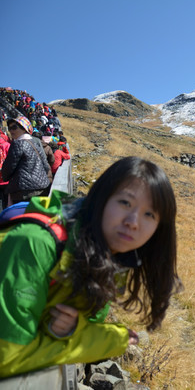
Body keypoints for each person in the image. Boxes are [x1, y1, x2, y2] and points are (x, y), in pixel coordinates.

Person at [0, 156, 181, 378]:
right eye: (125, 202)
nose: (133, 221)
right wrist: (110, 340)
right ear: (101, 199)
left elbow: (83, 320)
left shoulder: (111, 259)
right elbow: (6, 356)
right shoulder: (37, 243)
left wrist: (68, 328)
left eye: (149, 214)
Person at [1, 116, 50, 204]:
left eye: (14, 127)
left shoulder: (18, 143)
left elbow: (8, 167)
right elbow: (46, 166)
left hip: (23, 191)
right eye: (9, 128)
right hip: (42, 188)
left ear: (24, 129)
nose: (11, 131)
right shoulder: (35, 143)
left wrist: (5, 177)